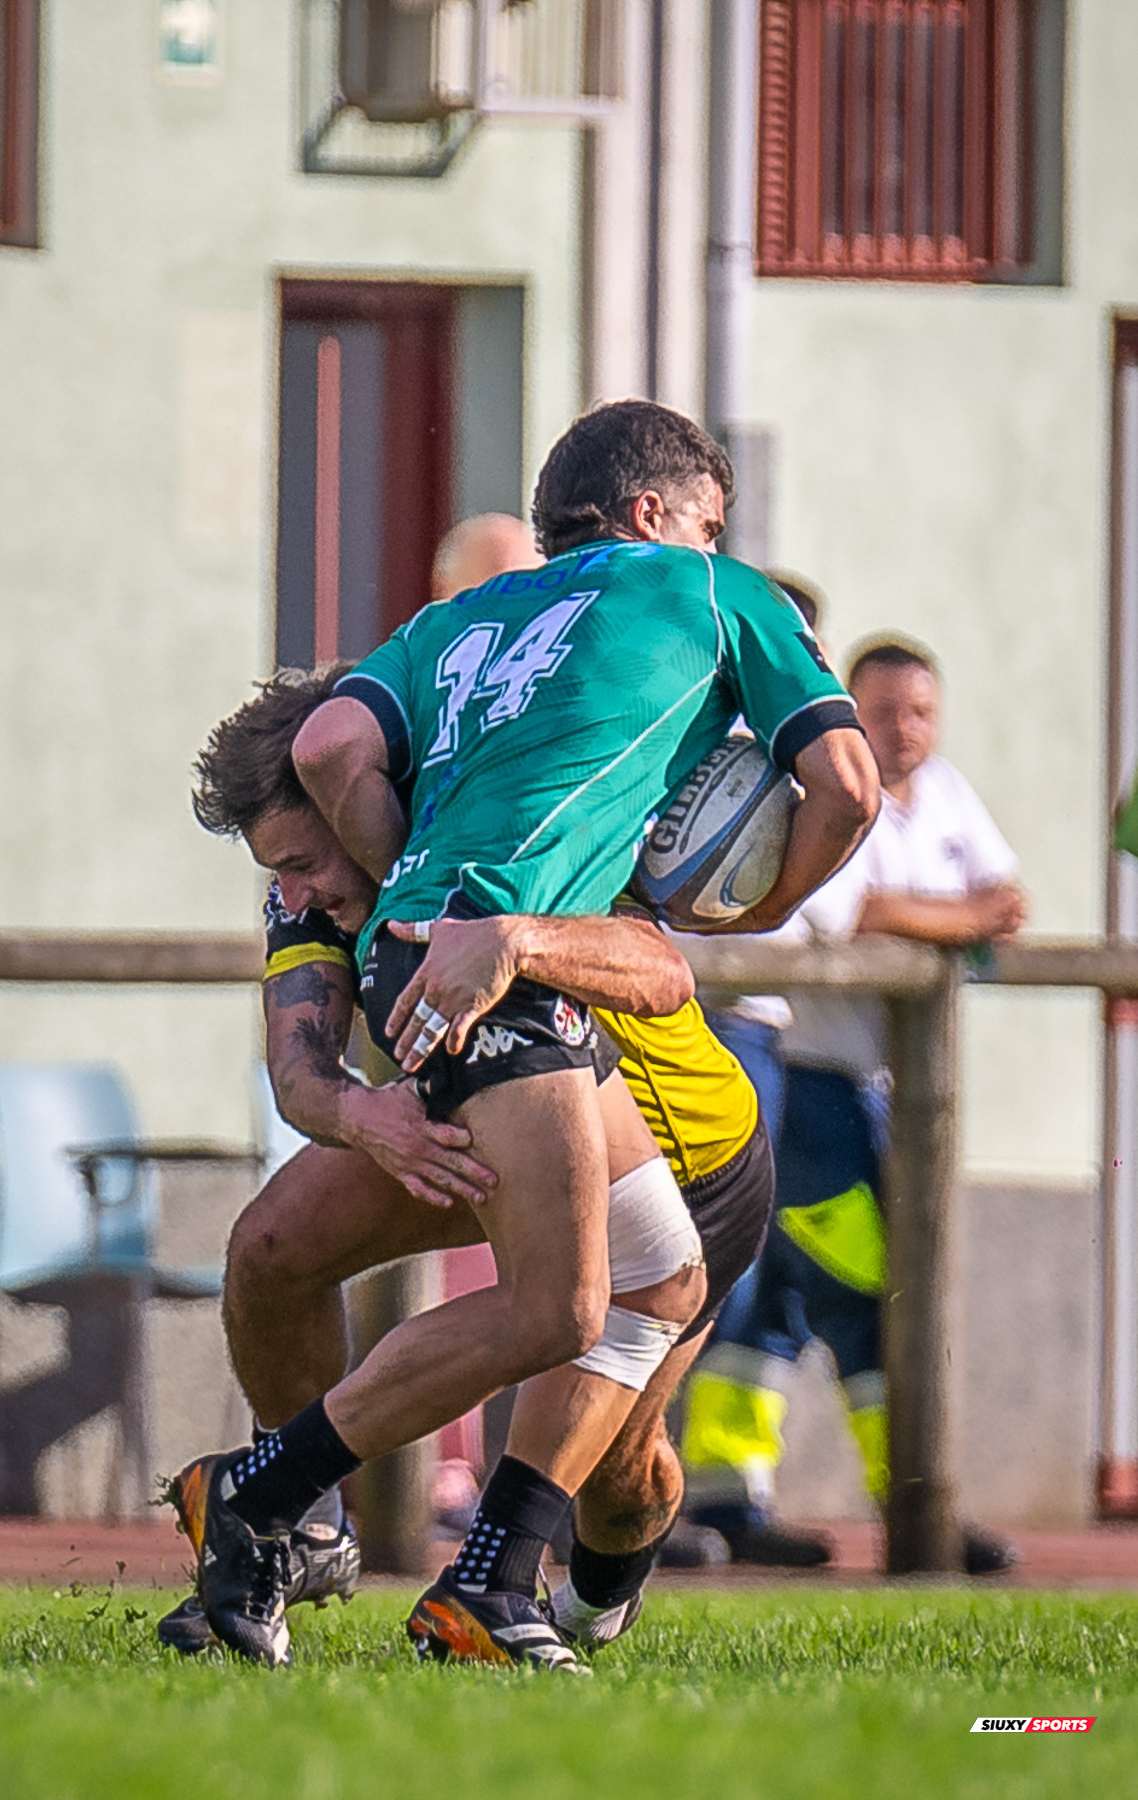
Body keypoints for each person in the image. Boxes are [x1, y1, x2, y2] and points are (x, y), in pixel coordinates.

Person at [173, 400, 880, 1666]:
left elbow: (657, 971)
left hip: (693, 1151)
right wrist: (362, 1114)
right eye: (278, 870)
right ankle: (314, 1533)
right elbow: (297, 1067)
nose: (298, 893)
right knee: (275, 1250)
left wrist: (509, 934)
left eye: (304, 862)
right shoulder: (346, 866)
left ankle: (505, 1568)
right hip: (504, 1096)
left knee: (621, 1450)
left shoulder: (520, 795)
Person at [679, 633, 1026, 1573]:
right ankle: (915, 1504)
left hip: (889, 1089)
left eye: (921, 712)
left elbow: (1008, 899)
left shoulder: (945, 793)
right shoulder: (831, 784)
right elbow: (857, 912)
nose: (903, 731)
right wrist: (957, 919)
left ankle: (727, 1497)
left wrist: (949, 917)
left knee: (773, 1303)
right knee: (868, 1288)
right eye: (883, 712)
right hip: (810, 1084)